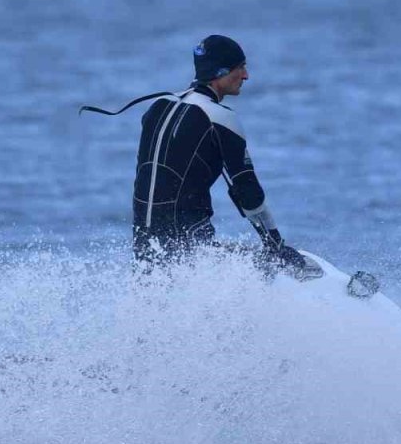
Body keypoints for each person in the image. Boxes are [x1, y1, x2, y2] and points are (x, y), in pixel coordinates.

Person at [82, 35, 310, 275]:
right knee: (267, 265)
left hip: (144, 246)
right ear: (220, 71)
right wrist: (275, 245)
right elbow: (248, 194)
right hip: (190, 247)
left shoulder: (157, 106)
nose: (246, 75)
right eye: (240, 67)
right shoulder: (221, 118)